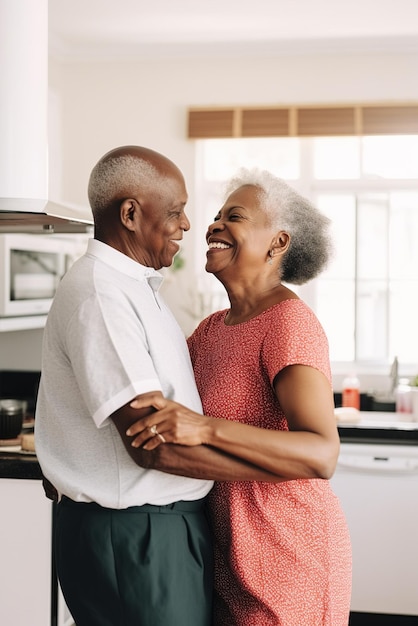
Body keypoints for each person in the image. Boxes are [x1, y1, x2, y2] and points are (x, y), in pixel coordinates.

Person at [127, 168, 353, 626]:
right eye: (215, 216)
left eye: (235, 217)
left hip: (290, 557)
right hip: (229, 556)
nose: (213, 225)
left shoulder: (289, 324)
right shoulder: (211, 331)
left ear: (278, 243)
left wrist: (205, 427)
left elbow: (321, 453)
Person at [35, 145, 219, 626]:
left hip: (156, 528)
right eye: (176, 212)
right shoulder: (100, 293)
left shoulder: (133, 286)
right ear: (131, 214)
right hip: (135, 534)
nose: (186, 226)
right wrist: (285, 466)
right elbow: (150, 444)